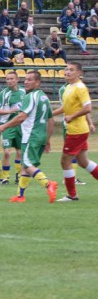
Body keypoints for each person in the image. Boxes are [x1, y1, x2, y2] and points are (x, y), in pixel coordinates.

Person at [0, 70, 59, 203]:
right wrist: (47, 139)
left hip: (31, 136)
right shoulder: (44, 97)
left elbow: (21, 117)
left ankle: (48, 184)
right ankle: (20, 196)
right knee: (25, 167)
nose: (26, 82)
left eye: (30, 80)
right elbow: (51, 120)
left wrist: (4, 126)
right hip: (41, 137)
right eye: (25, 79)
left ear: (38, 82)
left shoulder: (31, 97)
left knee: (27, 164)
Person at [51, 62, 98, 201]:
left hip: (77, 131)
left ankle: (72, 195)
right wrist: (50, 114)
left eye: (71, 70)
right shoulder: (68, 88)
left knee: (65, 161)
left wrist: (72, 116)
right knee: (83, 162)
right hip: (75, 130)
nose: (67, 72)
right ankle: (72, 195)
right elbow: (65, 107)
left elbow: (88, 108)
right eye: (66, 69)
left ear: (79, 73)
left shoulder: (80, 88)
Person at [0, 71, 24, 185]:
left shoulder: (23, 92)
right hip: (7, 126)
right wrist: (10, 111)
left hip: (20, 126)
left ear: (17, 79)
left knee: (20, 152)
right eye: (7, 79)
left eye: (12, 78)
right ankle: (6, 177)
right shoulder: (4, 94)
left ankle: (19, 175)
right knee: (6, 152)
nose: (9, 81)